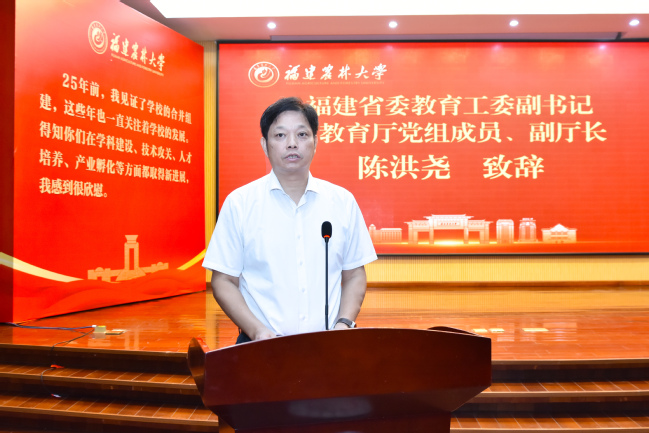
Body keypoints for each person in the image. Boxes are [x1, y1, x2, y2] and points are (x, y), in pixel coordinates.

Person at [203, 97, 377, 343]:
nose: (292, 143)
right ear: (265, 145)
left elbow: (354, 275)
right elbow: (223, 281)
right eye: (280, 135)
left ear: (315, 143)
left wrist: (344, 323)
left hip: (329, 345)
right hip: (259, 346)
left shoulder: (342, 201)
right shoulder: (240, 203)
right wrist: (257, 331)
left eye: (302, 134)